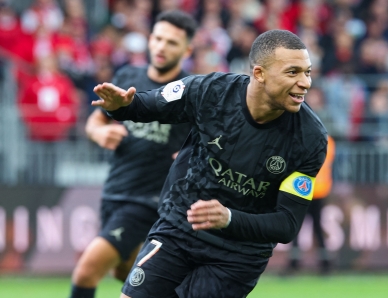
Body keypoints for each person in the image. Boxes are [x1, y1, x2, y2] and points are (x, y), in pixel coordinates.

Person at [92, 29, 328, 298]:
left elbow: (287, 224)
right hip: (179, 228)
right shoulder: (210, 92)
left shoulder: (310, 139)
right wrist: (120, 107)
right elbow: (148, 104)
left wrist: (228, 218)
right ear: (260, 73)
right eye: (293, 72)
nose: (305, 82)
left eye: (307, 72)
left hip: (238, 256)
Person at [69, 10, 197, 298]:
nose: (162, 47)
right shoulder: (128, 75)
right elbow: (97, 120)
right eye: (159, 38)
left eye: (172, 43)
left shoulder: (190, 91)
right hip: (115, 191)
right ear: (149, 40)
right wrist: (99, 132)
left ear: (187, 50)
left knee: (87, 270)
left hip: (150, 200)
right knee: (124, 273)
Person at [286, 135, 335, 275]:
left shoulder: (305, 138)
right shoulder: (328, 141)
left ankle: (295, 263)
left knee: (297, 228)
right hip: (318, 190)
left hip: (304, 189)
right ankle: (324, 264)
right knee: (317, 228)